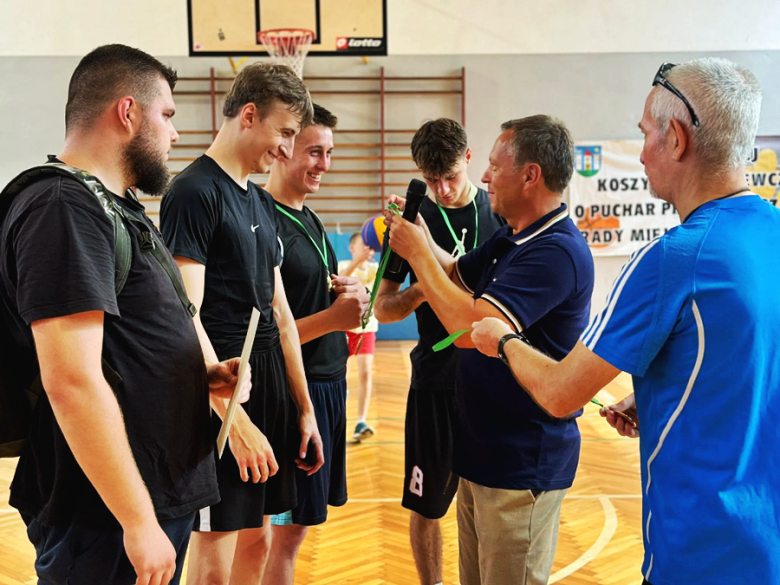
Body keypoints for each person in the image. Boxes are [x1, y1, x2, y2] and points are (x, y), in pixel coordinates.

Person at [470, 58, 780, 585]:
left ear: (676, 138)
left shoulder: (675, 258)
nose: (640, 154)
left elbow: (561, 392)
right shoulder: (771, 234)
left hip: (700, 552)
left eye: (645, 134)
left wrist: (502, 340)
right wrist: (659, 390)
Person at [0, 44, 250, 585]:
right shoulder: (62, 208)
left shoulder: (114, 205)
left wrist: (199, 375)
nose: (175, 134)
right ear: (128, 112)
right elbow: (70, 378)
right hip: (105, 511)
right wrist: (136, 521)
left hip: (150, 492)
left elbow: (127, 347)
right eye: (167, 116)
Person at [386, 115, 593, 585]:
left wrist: (418, 254)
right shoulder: (514, 235)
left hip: (521, 462)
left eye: (494, 166)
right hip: (483, 453)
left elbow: (470, 329)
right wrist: (418, 232)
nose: (484, 177)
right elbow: (457, 272)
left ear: (529, 174)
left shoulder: (554, 252)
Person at [160, 63, 324, 585]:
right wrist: (235, 417)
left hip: (270, 384)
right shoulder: (193, 192)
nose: (286, 148)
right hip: (222, 391)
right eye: (285, 133)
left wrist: (304, 409)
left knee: (258, 538)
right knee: (215, 554)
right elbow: (186, 312)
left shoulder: (258, 199)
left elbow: (281, 314)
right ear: (248, 115)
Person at [373, 118, 504, 585]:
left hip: (492, 380)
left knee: (490, 503)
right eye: (431, 180)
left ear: (468, 159)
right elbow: (384, 309)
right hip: (435, 381)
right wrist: (420, 292)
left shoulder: (499, 214)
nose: (443, 189)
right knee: (427, 505)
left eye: (450, 175)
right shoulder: (408, 223)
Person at [261, 104, 369, 584]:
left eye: (329, 153)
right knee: (270, 536)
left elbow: (319, 295)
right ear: (283, 149)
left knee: (294, 533)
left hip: (327, 387)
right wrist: (333, 318)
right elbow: (265, 334)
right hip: (288, 394)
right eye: (314, 152)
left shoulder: (311, 219)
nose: (324, 163)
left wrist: (350, 291)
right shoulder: (262, 221)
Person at [338, 232, 380, 441]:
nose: (367, 250)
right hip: (343, 328)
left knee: (365, 374)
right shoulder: (343, 265)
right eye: (362, 246)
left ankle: (361, 421)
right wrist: (357, 263)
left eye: (369, 247)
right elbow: (339, 284)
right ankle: (338, 420)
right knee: (338, 376)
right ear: (352, 248)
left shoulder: (375, 269)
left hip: (367, 329)